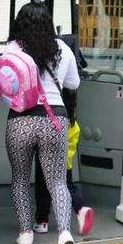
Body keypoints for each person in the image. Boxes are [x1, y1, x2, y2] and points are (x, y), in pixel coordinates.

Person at [4, 2, 80, 244]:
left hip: (21, 120)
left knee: (20, 179)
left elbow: (3, 86)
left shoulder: (13, 48)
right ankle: (65, 235)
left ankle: (25, 234)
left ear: (20, 23)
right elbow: (73, 83)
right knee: (58, 182)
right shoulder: (63, 48)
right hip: (54, 120)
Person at [32, 88, 95, 236]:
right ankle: (81, 208)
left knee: (43, 187)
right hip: (66, 163)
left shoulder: (51, 120)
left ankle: (42, 221)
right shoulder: (73, 124)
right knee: (67, 186)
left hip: (47, 160)